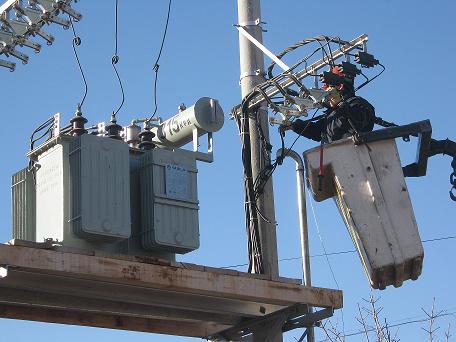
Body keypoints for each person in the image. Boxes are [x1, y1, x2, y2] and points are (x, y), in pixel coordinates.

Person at [282, 65, 376, 143]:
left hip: (355, 154)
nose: (325, 92)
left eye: (327, 88)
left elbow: (358, 121)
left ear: (339, 86)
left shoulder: (358, 103)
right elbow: (317, 131)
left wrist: (343, 107)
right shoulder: (331, 115)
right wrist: (294, 125)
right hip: (337, 158)